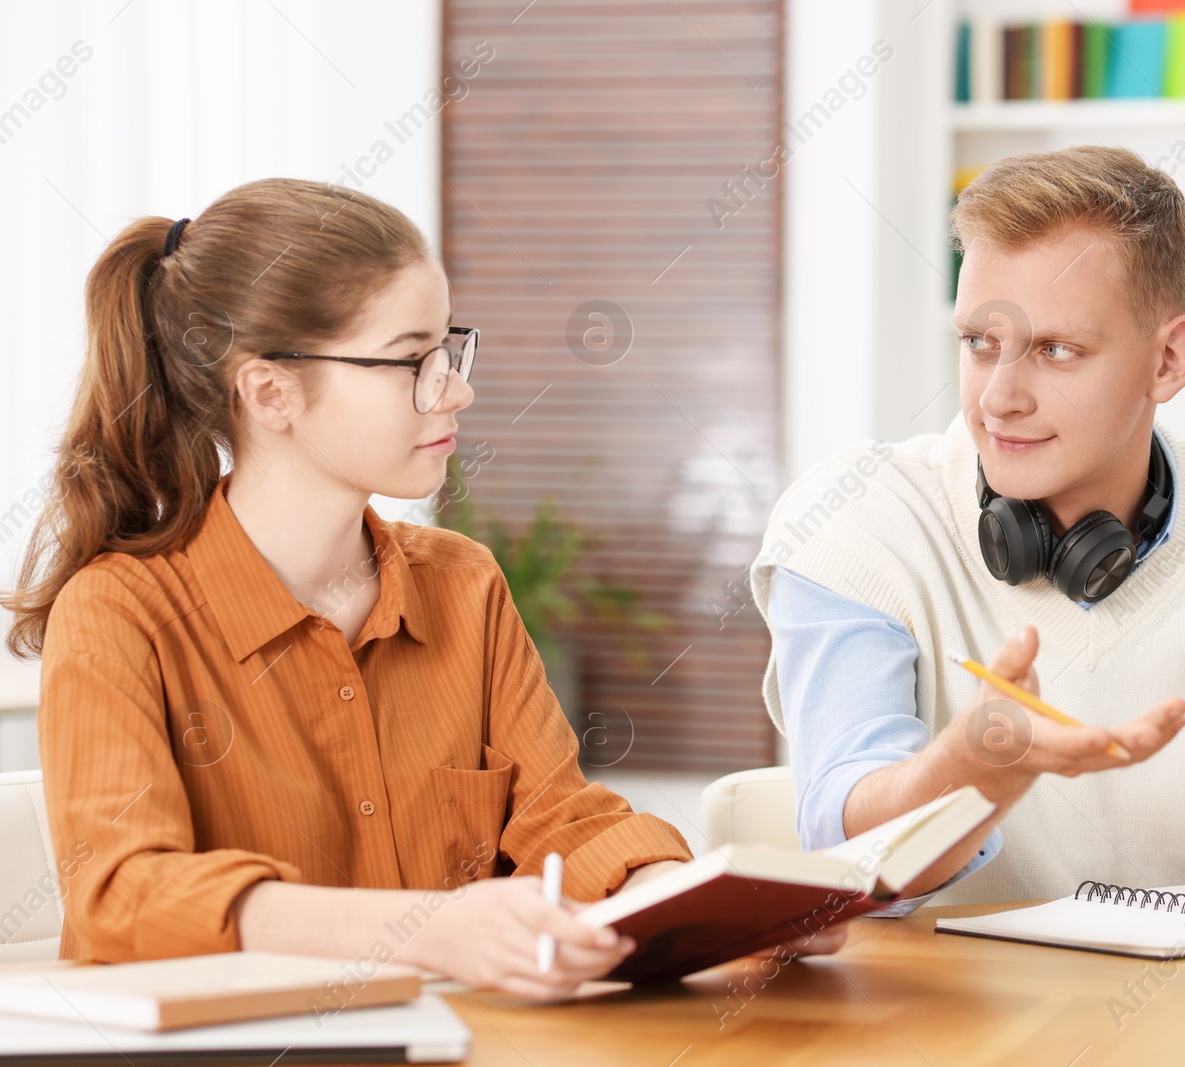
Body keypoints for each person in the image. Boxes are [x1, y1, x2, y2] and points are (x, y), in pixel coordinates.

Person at [4, 178, 839, 999]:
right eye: (411, 360)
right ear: (270, 392)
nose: (456, 388)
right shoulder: (118, 613)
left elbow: (563, 821)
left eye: (449, 348)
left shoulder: (461, 583)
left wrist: (703, 905)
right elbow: (126, 895)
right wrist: (429, 926)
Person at [749, 146, 1185, 910]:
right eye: (979, 344)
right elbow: (851, 858)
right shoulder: (858, 524)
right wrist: (977, 768)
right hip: (947, 1024)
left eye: (1056, 350)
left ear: (1168, 362)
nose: (999, 398)